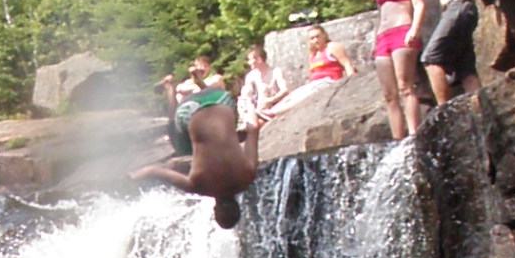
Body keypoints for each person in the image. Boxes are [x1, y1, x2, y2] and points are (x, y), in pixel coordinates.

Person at [131, 75, 260, 229]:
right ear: (216, 210)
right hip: (188, 108)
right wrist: (131, 177)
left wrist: (241, 122)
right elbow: (151, 170)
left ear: (237, 205)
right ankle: (170, 89)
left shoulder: (249, 174)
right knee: (179, 146)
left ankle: (186, 85)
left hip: (221, 99)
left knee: (216, 132)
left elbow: (253, 129)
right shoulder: (197, 186)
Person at [369, 0, 426, 138]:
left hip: (403, 31)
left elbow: (419, 3)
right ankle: (397, 138)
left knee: (405, 87)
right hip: (383, 37)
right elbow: (380, 13)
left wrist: (415, 29)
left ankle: (414, 134)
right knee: (389, 94)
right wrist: (375, 41)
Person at [261, 25, 357, 121]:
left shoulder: (332, 47)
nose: (316, 40)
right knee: (295, 94)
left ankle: (274, 113)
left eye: (318, 36)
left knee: (305, 95)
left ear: (324, 35)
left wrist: (352, 82)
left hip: (329, 82)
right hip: (315, 84)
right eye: (312, 38)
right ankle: (272, 111)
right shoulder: (313, 54)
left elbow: (346, 64)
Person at [238, 44, 289, 126]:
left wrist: (271, 99)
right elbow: (247, 95)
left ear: (259, 60)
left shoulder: (276, 72)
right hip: (259, 108)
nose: (248, 62)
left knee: (264, 89)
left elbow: (285, 90)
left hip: (275, 105)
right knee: (244, 96)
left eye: (250, 60)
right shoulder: (251, 76)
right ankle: (246, 121)